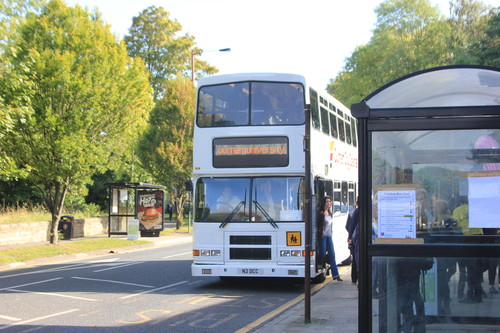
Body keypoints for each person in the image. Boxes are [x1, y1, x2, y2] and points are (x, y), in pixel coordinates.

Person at [317, 196, 342, 281]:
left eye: (330, 202)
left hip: (329, 236)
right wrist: (321, 232)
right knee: (322, 254)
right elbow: (317, 225)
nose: (329, 203)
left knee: (332, 254)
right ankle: (322, 269)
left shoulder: (330, 213)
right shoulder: (320, 213)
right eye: (327, 202)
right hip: (323, 237)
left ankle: (336, 275)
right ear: (324, 203)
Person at [346, 197, 359, 284]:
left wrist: (350, 236)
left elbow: (348, 226)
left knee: (355, 258)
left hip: (355, 239)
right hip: (357, 238)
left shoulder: (353, 212)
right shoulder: (356, 211)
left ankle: (354, 277)